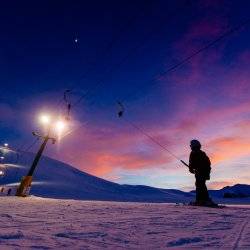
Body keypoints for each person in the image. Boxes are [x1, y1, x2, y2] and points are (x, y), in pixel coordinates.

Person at [189, 139, 214, 206]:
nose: (190, 146)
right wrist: (191, 169)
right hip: (200, 172)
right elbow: (191, 163)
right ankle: (202, 200)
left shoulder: (199, 154)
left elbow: (207, 164)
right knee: (200, 185)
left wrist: (193, 168)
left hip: (202, 172)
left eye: (191, 145)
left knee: (200, 185)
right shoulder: (195, 153)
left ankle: (202, 200)